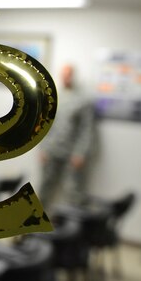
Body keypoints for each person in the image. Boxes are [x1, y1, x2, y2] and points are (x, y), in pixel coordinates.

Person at [38, 64, 97, 208]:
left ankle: (72, 226)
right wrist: (42, 148)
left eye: (69, 74)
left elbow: (86, 129)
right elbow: (43, 124)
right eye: (64, 74)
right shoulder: (52, 96)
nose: (66, 78)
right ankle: (35, 221)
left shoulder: (83, 100)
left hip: (71, 153)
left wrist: (80, 153)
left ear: (73, 76)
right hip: (52, 150)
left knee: (73, 191)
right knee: (45, 187)